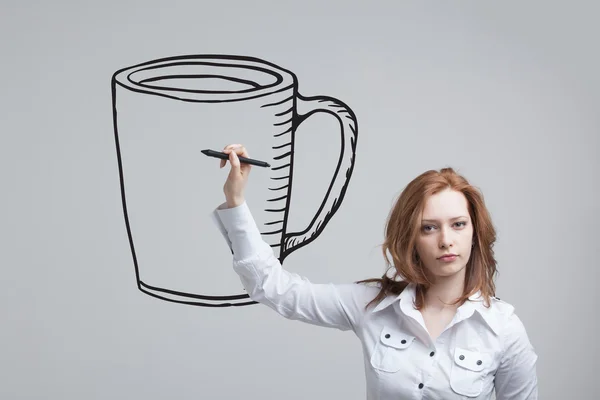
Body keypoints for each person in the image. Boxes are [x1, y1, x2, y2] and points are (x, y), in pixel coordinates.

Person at [210, 143, 538, 399]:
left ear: (474, 231)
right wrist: (235, 200)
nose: (446, 241)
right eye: (429, 228)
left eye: (458, 224)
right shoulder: (374, 307)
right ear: (411, 238)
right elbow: (272, 287)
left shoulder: (503, 330)